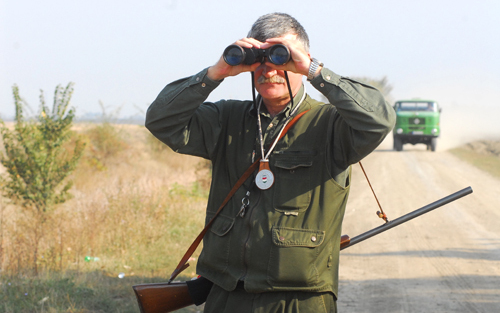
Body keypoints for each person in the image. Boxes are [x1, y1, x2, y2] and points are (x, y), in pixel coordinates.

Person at [146, 12, 395, 313]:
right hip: (227, 294)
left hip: (299, 300)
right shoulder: (228, 120)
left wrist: (315, 71)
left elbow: (379, 120)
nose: (269, 71)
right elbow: (161, 120)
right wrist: (215, 73)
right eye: (259, 61)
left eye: (281, 58)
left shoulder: (330, 126)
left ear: (302, 60)